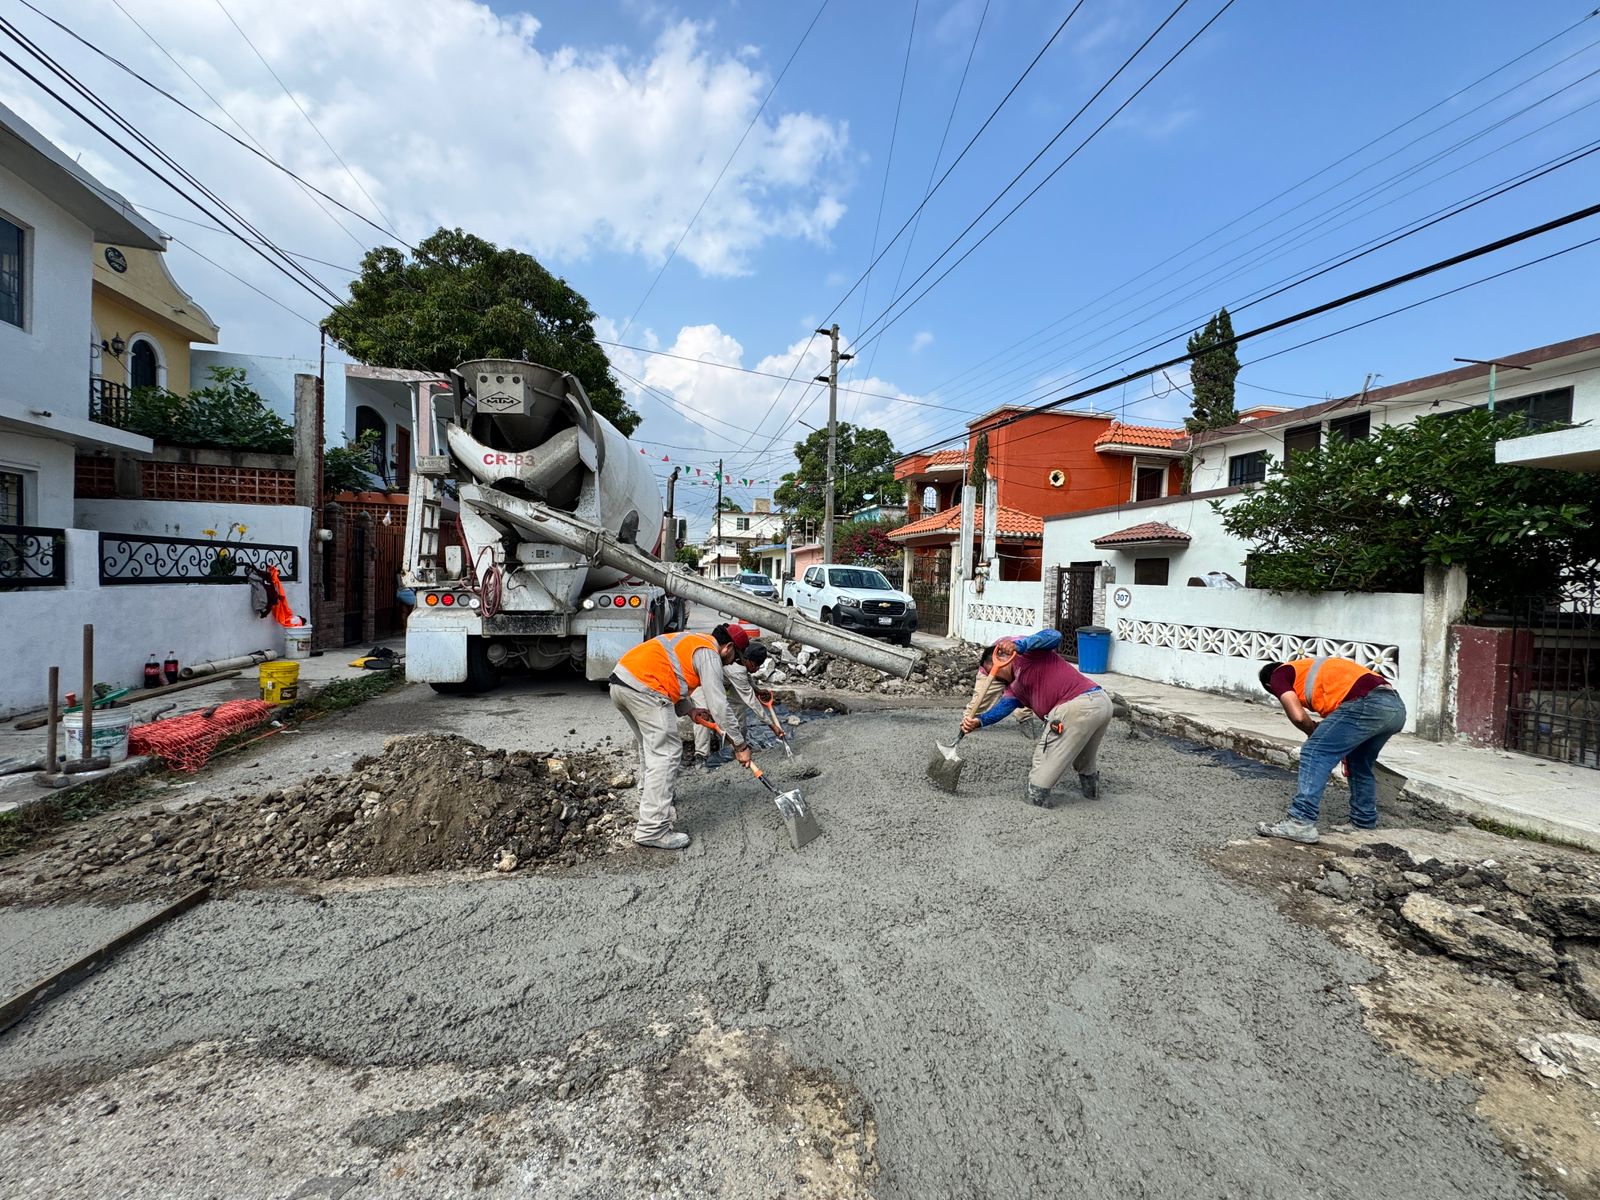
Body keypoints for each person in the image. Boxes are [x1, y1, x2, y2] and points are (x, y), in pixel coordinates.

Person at [609, 624, 762, 851]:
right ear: (728, 647)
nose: (733, 663)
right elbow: (719, 705)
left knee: (651, 749)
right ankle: (652, 829)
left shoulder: (693, 641)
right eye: (735, 658)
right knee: (667, 754)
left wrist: (690, 710)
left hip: (622, 683)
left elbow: (670, 672)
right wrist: (740, 745)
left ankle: (650, 798)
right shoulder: (709, 653)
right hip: (646, 689)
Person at [1256, 657, 1407, 844]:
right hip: (1396, 708)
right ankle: (1363, 822)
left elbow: (1298, 717)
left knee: (1314, 752)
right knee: (1358, 761)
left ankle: (1300, 822)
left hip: (1368, 704)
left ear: (1270, 685)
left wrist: (1312, 731)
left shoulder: (1279, 674)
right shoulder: (1312, 670)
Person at [959, 629, 1114, 807]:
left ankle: (1036, 799)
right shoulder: (1014, 688)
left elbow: (1054, 636)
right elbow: (1003, 708)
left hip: (1077, 706)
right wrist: (979, 721)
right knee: (1084, 759)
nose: (994, 678)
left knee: (1043, 767)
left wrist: (1019, 645)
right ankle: (1092, 795)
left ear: (1000, 657)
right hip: (1101, 704)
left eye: (992, 671)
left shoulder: (1028, 655)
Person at [691, 641, 783, 766]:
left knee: (738, 705)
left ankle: (736, 746)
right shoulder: (736, 669)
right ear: (749, 660)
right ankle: (701, 756)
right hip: (701, 685)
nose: (756, 670)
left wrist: (757, 690)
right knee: (703, 716)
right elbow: (752, 702)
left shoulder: (741, 659)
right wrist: (772, 726)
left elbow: (746, 677)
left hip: (720, 684)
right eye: (756, 666)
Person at [965, 645, 1040, 738]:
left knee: (1022, 694)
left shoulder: (1029, 652)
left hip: (1014, 667)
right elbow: (1007, 704)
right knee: (979, 700)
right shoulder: (990, 664)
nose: (996, 676)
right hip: (992, 666)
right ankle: (967, 723)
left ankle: (1025, 719)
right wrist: (978, 721)